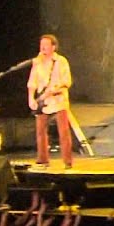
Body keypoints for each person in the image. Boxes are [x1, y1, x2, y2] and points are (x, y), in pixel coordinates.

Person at [27, 33, 74, 170]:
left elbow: (67, 81)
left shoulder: (61, 61)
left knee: (63, 131)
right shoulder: (37, 62)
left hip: (58, 100)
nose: (43, 47)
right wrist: (31, 98)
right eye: (41, 45)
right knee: (40, 131)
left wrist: (53, 91)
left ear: (53, 47)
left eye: (46, 45)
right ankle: (42, 160)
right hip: (43, 101)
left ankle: (67, 162)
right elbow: (32, 82)